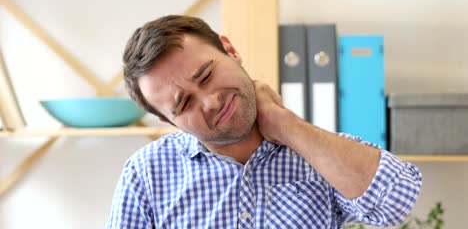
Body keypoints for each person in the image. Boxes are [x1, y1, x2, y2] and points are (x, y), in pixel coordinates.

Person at [106, 15, 422, 229]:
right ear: (166, 120)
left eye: (206, 75)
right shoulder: (147, 173)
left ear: (229, 50)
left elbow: (396, 200)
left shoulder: (313, 152)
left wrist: (284, 124)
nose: (211, 101)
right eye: (184, 103)